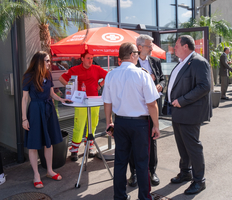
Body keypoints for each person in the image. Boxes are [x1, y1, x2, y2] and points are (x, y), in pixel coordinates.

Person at [103, 42, 160, 200]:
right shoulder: (142, 74)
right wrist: (156, 125)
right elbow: (152, 104)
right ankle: (144, 197)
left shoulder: (111, 75)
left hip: (120, 122)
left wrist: (109, 121)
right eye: (137, 52)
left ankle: (119, 196)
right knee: (142, 162)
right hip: (140, 124)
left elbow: (107, 102)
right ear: (133, 55)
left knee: (120, 161)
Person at [162, 35, 212, 195]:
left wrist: (182, 100)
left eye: (176, 45)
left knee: (193, 147)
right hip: (178, 112)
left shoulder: (198, 62)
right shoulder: (182, 62)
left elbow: (204, 86)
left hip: (189, 111)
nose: (173, 48)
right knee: (182, 146)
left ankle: (199, 181)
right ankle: (185, 172)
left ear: (185, 46)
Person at [22, 51, 69, 188]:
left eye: (49, 60)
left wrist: (61, 99)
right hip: (35, 110)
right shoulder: (28, 76)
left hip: (49, 110)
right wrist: (24, 118)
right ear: (39, 62)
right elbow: (25, 99)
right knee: (34, 143)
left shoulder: (48, 75)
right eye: (47, 61)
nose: (50, 63)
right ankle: (36, 175)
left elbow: (52, 93)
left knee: (49, 142)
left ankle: (49, 170)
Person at [127, 35, 165, 188]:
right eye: (149, 46)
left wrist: (160, 85)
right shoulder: (130, 64)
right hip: (135, 109)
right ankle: (134, 172)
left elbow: (162, 78)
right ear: (140, 47)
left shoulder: (155, 61)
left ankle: (152, 171)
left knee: (152, 139)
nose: (152, 48)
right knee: (133, 143)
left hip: (152, 108)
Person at [59, 52, 107, 161]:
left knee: (93, 124)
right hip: (80, 101)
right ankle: (75, 149)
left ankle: (90, 146)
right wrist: (70, 87)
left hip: (94, 101)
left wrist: (100, 85)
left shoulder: (96, 68)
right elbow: (61, 78)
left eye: (92, 58)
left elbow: (109, 76)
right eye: (88, 58)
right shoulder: (75, 69)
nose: (90, 60)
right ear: (82, 58)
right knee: (79, 125)